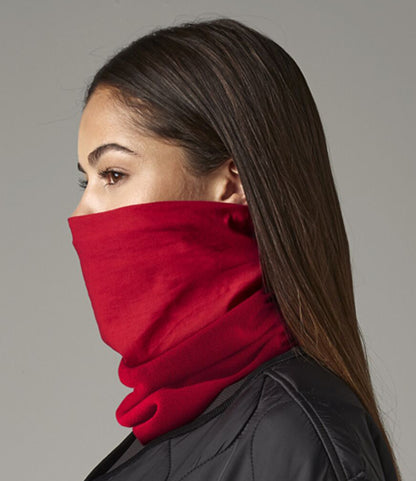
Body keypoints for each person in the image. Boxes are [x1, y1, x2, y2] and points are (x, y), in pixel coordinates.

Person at [67, 17, 402, 481]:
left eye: (113, 174)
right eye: (85, 181)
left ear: (232, 182)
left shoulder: (292, 432)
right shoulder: (183, 421)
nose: (82, 213)